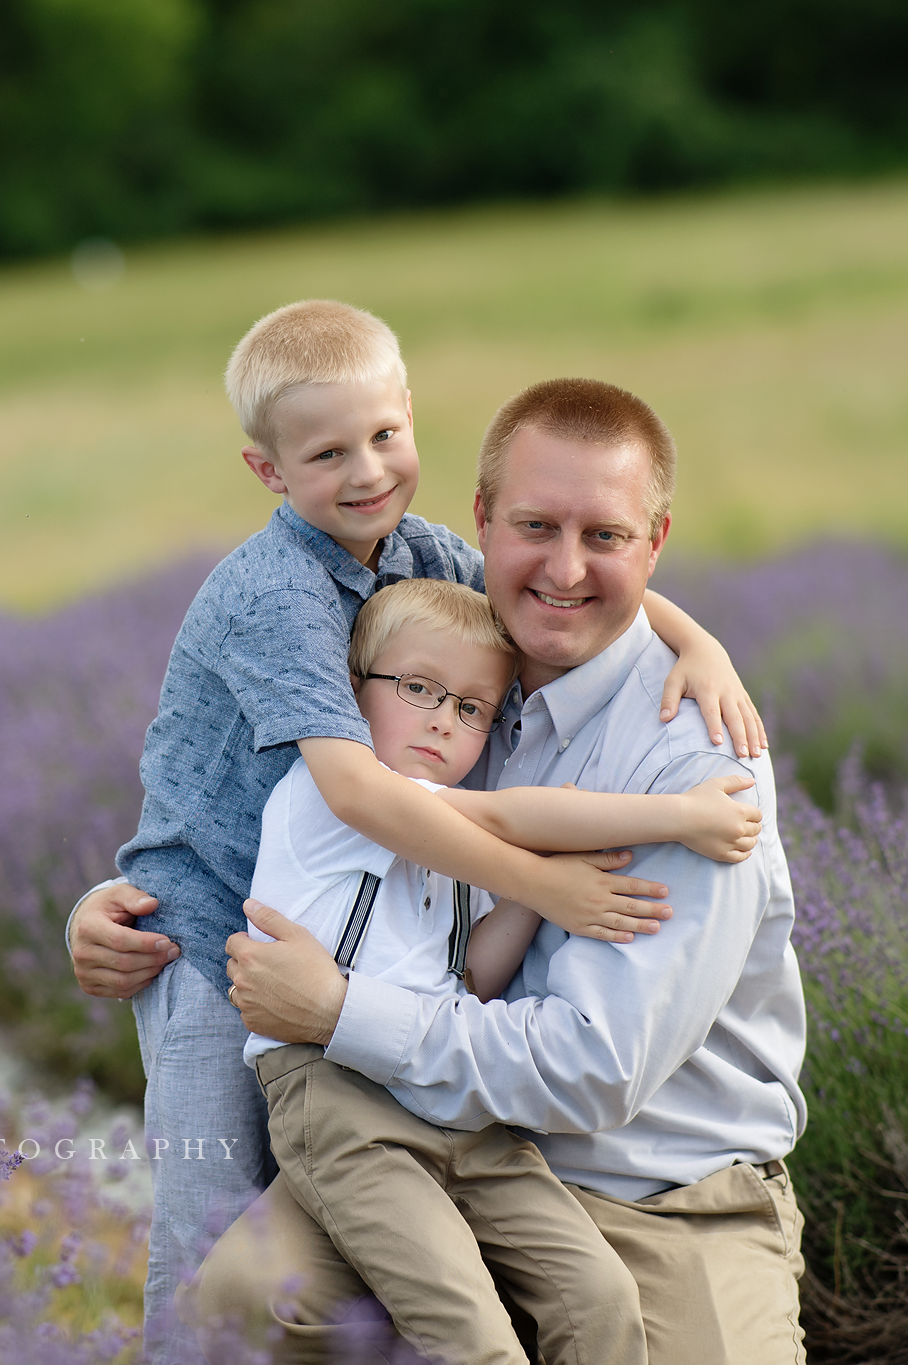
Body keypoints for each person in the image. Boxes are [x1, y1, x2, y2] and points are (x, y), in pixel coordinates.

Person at [66, 300, 769, 1357]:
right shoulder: (277, 593)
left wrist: (697, 639)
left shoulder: (422, 558)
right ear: (266, 472)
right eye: (325, 452)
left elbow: (560, 582)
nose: (364, 471)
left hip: (584, 1143)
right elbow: (360, 798)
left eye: (383, 437)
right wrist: (540, 884)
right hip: (213, 937)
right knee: (215, 1238)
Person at [244, 576, 763, 1365]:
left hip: (447, 1098)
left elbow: (475, 979)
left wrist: (699, 640)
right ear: (353, 690)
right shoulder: (342, 789)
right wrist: (680, 816)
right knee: (469, 1331)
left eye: (471, 709)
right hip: (337, 1089)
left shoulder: (448, 840)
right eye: (418, 689)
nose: (441, 720)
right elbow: (509, 817)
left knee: (599, 1297)